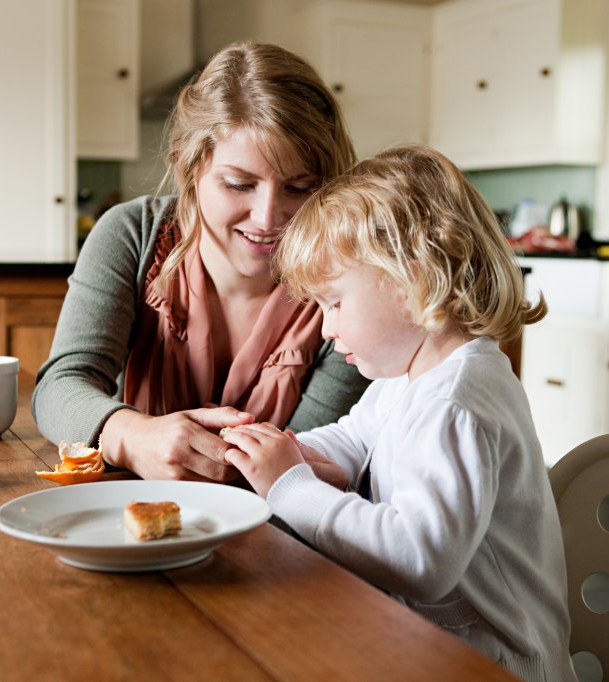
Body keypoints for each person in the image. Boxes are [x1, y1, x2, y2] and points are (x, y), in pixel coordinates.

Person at [221, 145, 576, 681]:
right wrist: (291, 453)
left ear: (412, 283)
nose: (324, 328)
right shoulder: (412, 377)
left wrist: (290, 487)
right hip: (440, 647)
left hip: (497, 665)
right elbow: (353, 438)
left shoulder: (454, 403)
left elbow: (419, 558)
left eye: (335, 302)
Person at [32, 41, 368, 483]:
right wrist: (132, 436)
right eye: (238, 184)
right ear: (188, 168)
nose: (268, 219)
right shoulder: (132, 235)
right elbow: (60, 387)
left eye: (299, 188)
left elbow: (315, 458)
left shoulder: (352, 284)